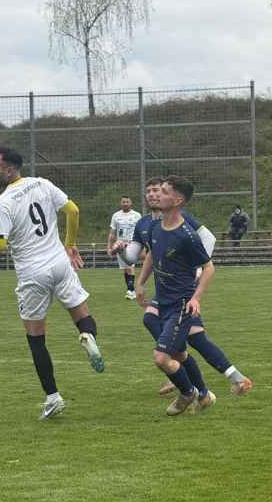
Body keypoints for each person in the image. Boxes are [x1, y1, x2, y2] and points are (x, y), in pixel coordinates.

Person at [0, 146, 104, 420]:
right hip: (60, 262)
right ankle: (88, 337)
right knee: (81, 316)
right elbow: (73, 211)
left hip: (32, 273)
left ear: (10, 170)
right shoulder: (42, 183)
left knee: (36, 339)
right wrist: (70, 244)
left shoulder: (3, 202)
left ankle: (53, 398)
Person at [135, 176, 252, 416]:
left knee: (162, 357)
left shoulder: (186, 235)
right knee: (183, 345)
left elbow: (209, 268)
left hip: (181, 303)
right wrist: (140, 283)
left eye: (163, 191)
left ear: (177, 200)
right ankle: (207, 390)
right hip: (163, 299)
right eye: (155, 191)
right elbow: (152, 255)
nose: (157, 195)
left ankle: (189, 391)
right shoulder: (155, 226)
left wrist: (196, 298)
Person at [112, 176, 217, 397]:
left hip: (182, 291)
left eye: (158, 190)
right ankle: (188, 380)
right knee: (159, 327)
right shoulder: (146, 224)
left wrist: (198, 268)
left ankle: (200, 386)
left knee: (191, 340)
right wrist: (122, 250)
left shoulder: (182, 220)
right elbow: (134, 256)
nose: (153, 194)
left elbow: (209, 240)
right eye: (149, 190)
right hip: (164, 292)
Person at [107, 196, 142, 299]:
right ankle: (130, 289)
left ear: (131, 203)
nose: (125, 203)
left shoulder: (137, 215)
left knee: (129, 266)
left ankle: (131, 290)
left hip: (133, 243)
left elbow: (141, 230)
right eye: (123, 202)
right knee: (126, 269)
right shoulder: (116, 215)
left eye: (127, 202)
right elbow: (112, 233)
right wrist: (109, 247)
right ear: (120, 203)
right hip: (120, 244)